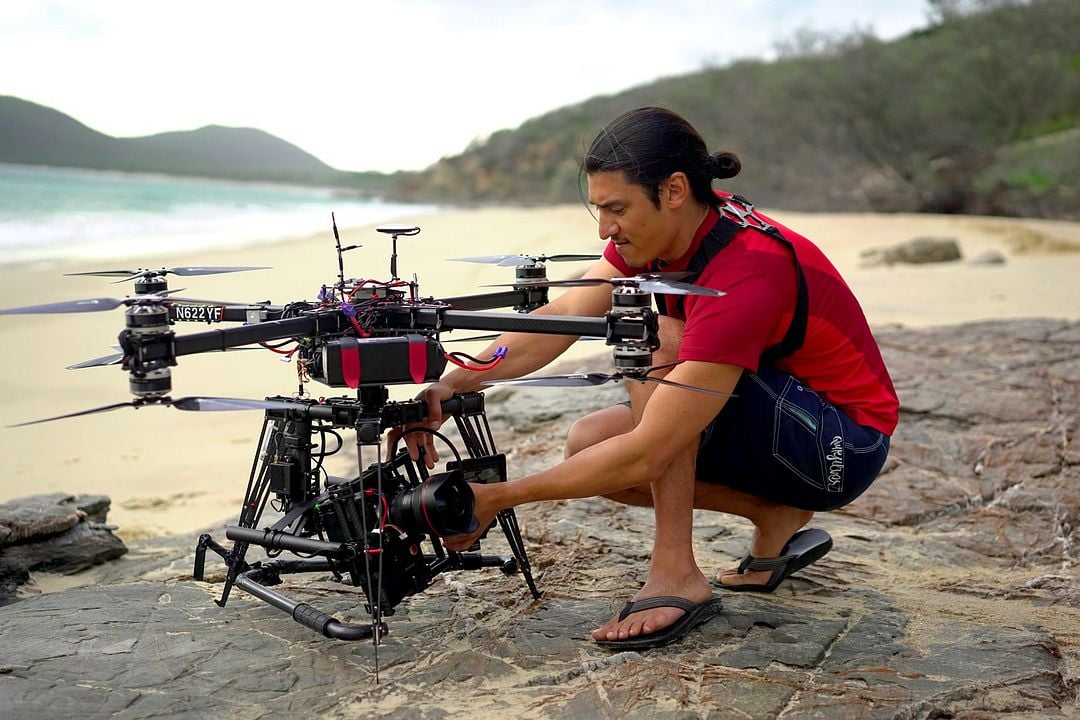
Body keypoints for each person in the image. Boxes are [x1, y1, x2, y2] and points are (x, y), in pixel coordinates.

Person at [402, 106, 898, 650]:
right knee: (588, 442)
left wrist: (500, 496)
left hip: (839, 446)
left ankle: (676, 575)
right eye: (597, 208)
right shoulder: (662, 237)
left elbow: (650, 451)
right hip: (780, 425)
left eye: (616, 208)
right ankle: (773, 513)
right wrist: (456, 381)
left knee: (653, 335)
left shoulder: (747, 268)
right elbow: (564, 317)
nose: (603, 228)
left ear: (675, 189)